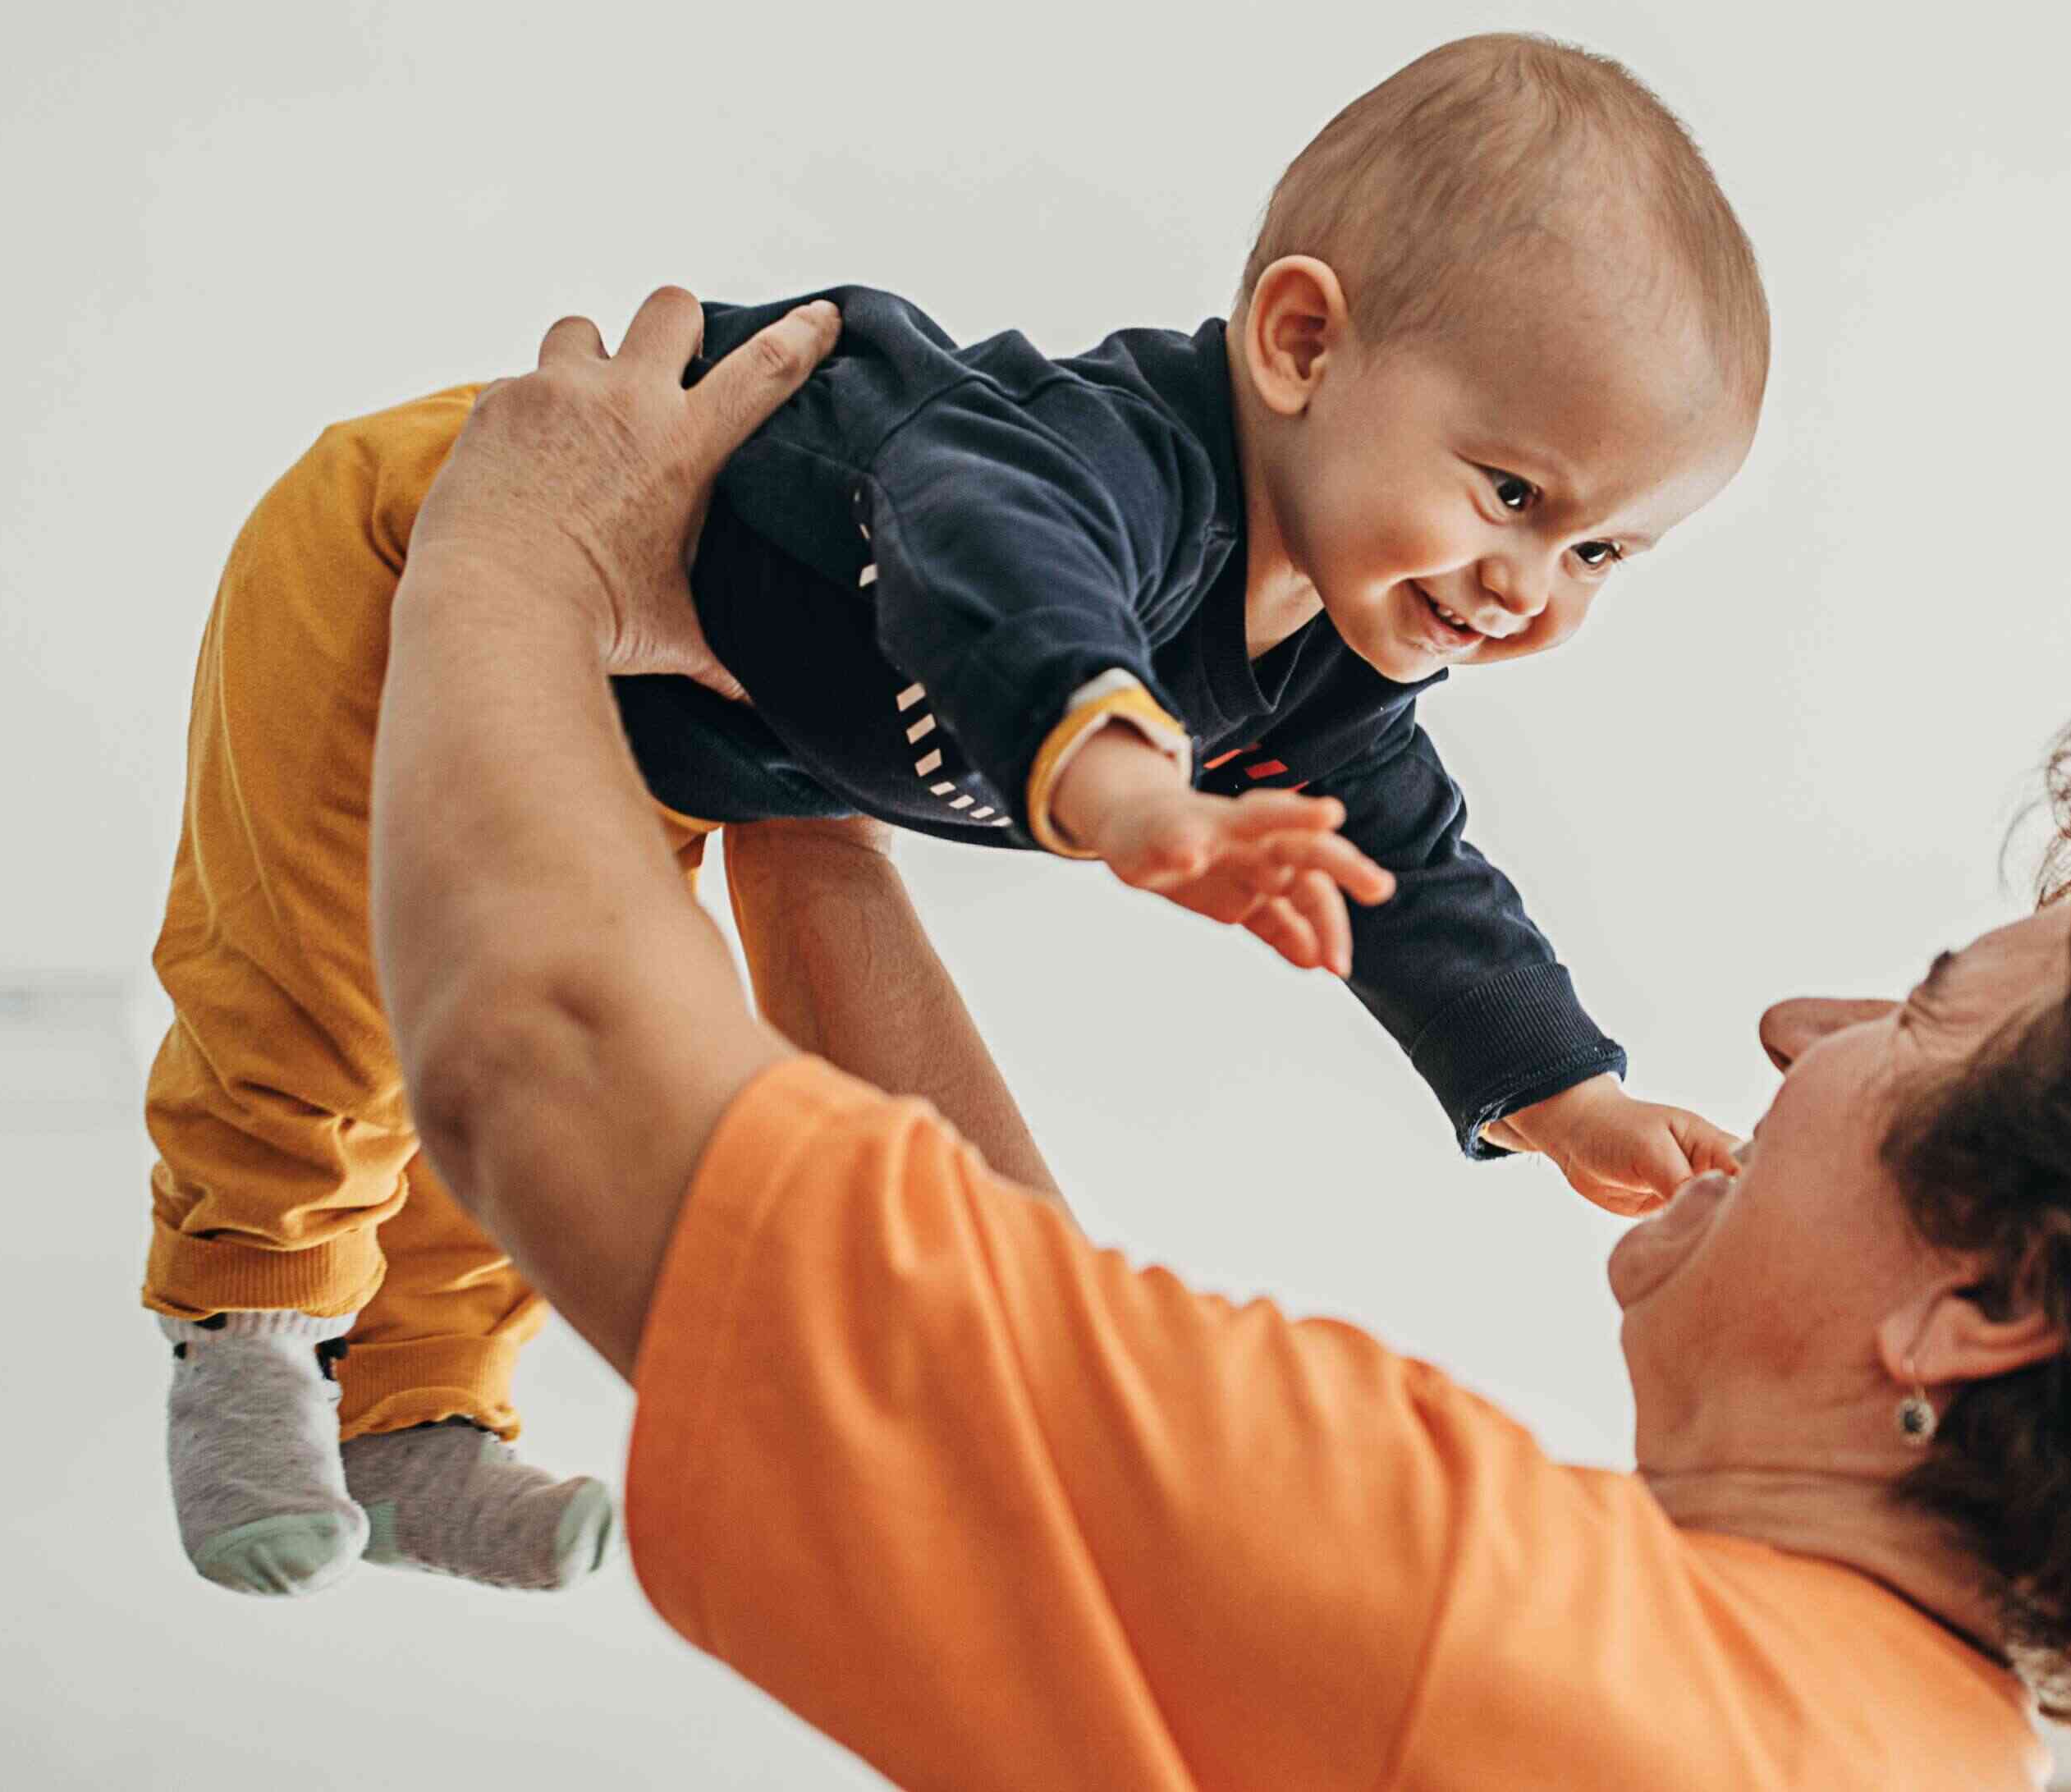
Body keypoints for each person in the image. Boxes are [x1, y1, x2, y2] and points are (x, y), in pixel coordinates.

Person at [370, 293, 2071, 1784]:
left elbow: (548, 1062)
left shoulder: (1539, 1659)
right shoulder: (1800, 1734)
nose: (1797, 1026)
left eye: (1922, 1014)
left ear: (1990, 1302)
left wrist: (522, 549)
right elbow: (1016, 1379)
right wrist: (801, 766)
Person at [141, 33, 1776, 1597]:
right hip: (430, 546)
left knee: (518, 1035)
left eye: (1599, 556)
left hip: (655, 728)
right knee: (322, 997)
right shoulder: (1119, 455)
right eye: (1511, 496)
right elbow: (983, 544)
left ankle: (416, 1416)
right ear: (1297, 344)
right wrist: (1119, 778)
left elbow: (1416, 877)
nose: (1527, 593)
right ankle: (242, 1337)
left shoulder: (1331, 663)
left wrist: (1559, 1094)